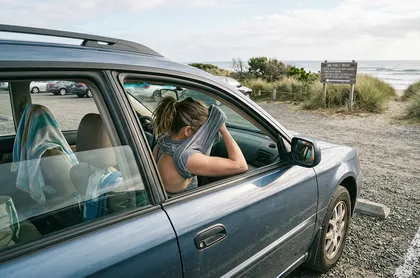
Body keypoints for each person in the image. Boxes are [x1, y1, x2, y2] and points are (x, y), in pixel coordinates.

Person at [152, 97, 248, 194]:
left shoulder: (162, 143)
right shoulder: (187, 157)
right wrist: (223, 129)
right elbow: (240, 165)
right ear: (187, 130)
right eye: (203, 132)